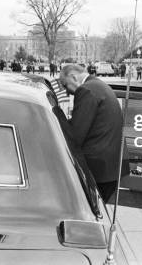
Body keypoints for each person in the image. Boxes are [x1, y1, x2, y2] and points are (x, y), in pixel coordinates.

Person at [58, 64, 123, 201]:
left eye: (65, 85)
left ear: (73, 77)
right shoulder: (98, 85)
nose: (66, 92)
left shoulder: (86, 90)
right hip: (108, 169)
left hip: (96, 170)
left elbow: (76, 134)